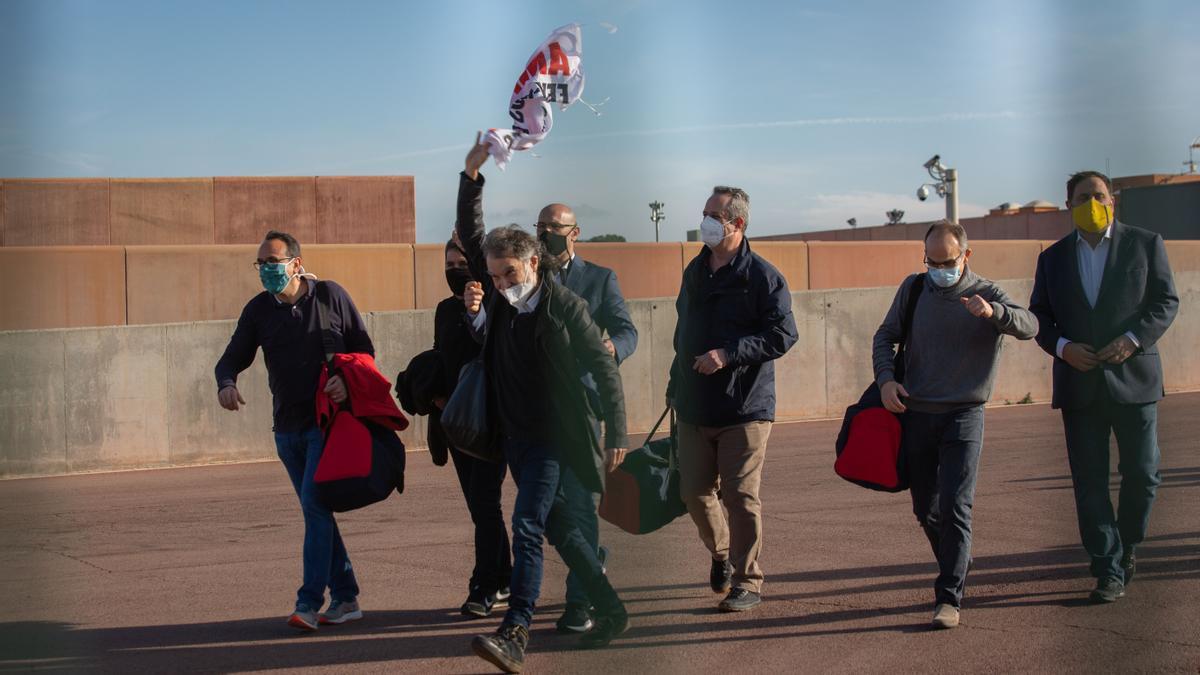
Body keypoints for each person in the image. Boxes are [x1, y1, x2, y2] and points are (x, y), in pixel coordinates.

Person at [458, 136, 631, 673]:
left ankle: (516, 631)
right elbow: (471, 232)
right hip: (517, 436)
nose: (501, 284)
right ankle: (611, 609)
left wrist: (617, 435)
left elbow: (604, 367)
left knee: (527, 523)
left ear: (533, 262)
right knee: (561, 531)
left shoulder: (566, 305)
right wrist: (472, 173)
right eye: (494, 276)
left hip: (557, 437)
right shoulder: (507, 305)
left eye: (510, 274)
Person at [873, 221, 1038, 629]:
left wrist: (994, 313)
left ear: (967, 255)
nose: (940, 268)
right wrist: (885, 380)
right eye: (932, 260)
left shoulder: (987, 292)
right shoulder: (913, 289)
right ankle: (955, 558)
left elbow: (1030, 326)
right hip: (917, 413)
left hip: (965, 413)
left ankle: (949, 597)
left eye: (948, 261)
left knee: (956, 506)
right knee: (926, 508)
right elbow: (884, 336)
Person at [1029, 170, 1178, 604]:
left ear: (1111, 200)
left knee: (1144, 474)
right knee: (1089, 482)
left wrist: (1132, 341)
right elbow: (1040, 318)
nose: (1090, 203)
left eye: (1097, 195)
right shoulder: (1052, 258)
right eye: (1081, 197)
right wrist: (1062, 347)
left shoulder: (1145, 243)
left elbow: (1165, 301)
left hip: (1135, 381)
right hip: (1080, 385)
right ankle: (1107, 568)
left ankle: (1128, 544)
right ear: (1068, 204)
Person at [214, 230, 372, 631]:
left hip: (325, 424)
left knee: (316, 506)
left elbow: (364, 349)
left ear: (296, 264)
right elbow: (231, 358)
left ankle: (308, 602)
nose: (267, 269)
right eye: (261, 263)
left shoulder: (330, 296)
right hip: (286, 430)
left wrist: (345, 378)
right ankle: (348, 597)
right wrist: (227, 383)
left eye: (274, 261)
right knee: (315, 510)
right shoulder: (258, 311)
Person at [666, 185, 798, 613]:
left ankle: (748, 580)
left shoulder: (764, 277)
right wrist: (674, 385)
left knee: (740, 496)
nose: (704, 220)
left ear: (737, 223)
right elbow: (682, 333)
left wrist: (728, 354)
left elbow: (783, 335)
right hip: (694, 405)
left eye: (712, 215)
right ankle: (721, 553)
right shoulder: (695, 271)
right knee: (693, 492)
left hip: (745, 408)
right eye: (704, 211)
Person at [536, 203, 639, 634]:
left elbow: (626, 331)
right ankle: (592, 561)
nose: (545, 235)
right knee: (544, 515)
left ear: (574, 232)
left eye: (553, 228)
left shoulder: (599, 278)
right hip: (538, 414)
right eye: (539, 227)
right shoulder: (529, 277)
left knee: (578, 510)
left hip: (583, 411)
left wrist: (610, 348)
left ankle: (580, 603)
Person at [433, 237, 513, 618]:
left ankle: (483, 585)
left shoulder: (498, 305)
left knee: (486, 505)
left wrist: (477, 310)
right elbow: (441, 358)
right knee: (480, 509)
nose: (454, 271)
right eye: (448, 264)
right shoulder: (443, 310)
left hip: (492, 423)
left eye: (460, 263)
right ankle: (505, 577)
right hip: (458, 424)